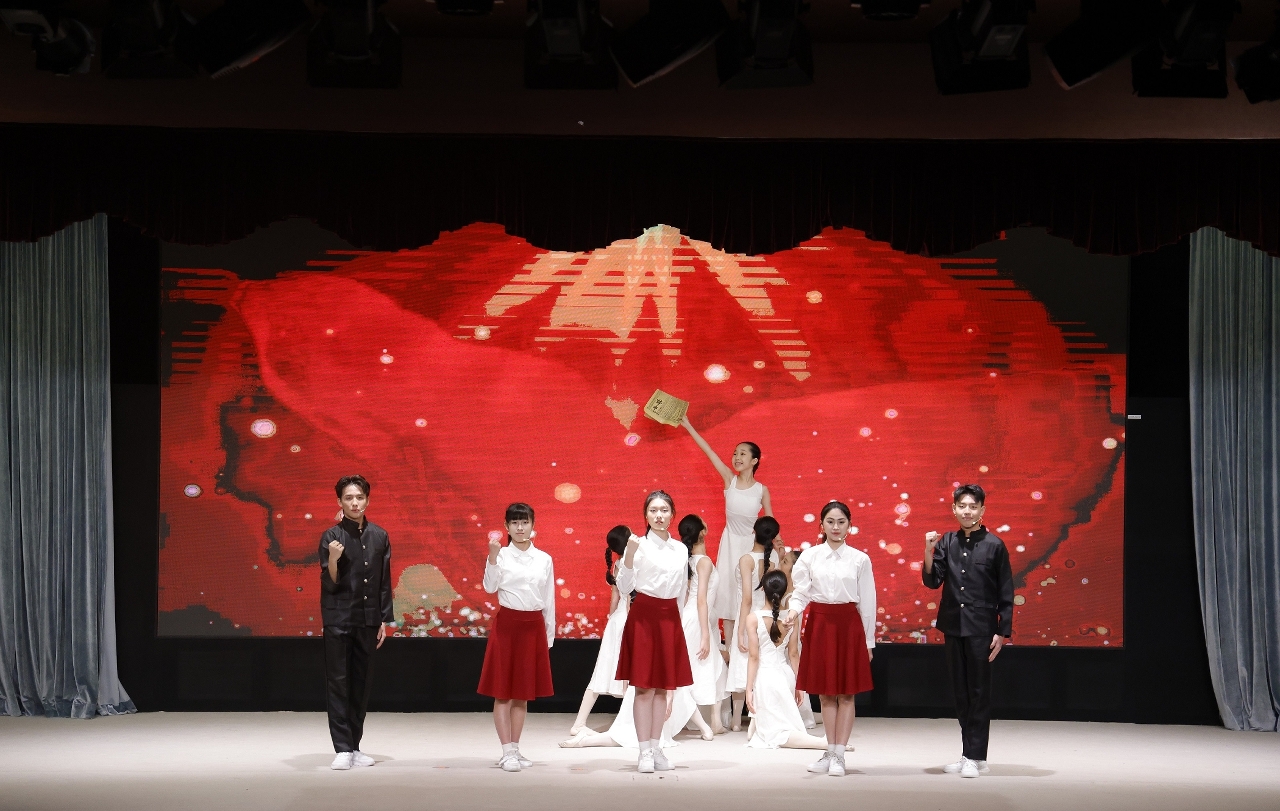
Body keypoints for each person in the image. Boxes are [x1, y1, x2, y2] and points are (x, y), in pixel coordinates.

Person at [922, 484, 1014, 779]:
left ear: (982, 510)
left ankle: (975, 756)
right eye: (962, 506)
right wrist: (928, 550)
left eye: (973, 506)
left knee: (978, 692)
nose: (967, 511)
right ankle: (970, 755)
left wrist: (1002, 631)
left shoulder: (995, 545)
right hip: (953, 625)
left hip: (982, 628)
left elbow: (1006, 590)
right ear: (954, 509)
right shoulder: (947, 542)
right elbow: (932, 581)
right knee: (961, 693)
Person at [784, 501, 876, 777]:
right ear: (821, 525)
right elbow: (801, 593)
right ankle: (829, 751)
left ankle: (839, 755)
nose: (836, 527)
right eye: (830, 522)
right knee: (825, 693)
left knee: (846, 694)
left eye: (841, 522)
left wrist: (868, 642)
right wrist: (792, 612)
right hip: (820, 624)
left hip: (848, 626)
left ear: (849, 525)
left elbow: (867, 603)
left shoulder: (860, 559)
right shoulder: (810, 557)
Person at [614, 490, 693, 773]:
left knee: (663, 688)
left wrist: (678, 623)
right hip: (644, 617)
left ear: (672, 514)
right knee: (644, 688)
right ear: (646, 515)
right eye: (653, 510)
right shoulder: (638, 546)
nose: (659, 515)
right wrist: (629, 555)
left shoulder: (681, 549)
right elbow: (624, 587)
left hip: (670, 618)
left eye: (664, 510)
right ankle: (644, 751)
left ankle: (657, 747)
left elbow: (681, 590)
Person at [679, 416, 772, 654]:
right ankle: (730, 652)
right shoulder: (729, 480)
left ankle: (748, 650)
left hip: (751, 548)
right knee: (728, 599)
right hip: (730, 544)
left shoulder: (762, 490)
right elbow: (708, 451)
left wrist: (776, 546)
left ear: (754, 460)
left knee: (749, 599)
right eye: (735, 453)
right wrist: (688, 425)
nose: (737, 457)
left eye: (743, 454)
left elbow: (770, 524)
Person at [318, 474, 392, 771]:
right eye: (348, 498)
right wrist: (333, 558)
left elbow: (383, 581)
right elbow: (330, 583)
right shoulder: (331, 537)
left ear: (367, 500)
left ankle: (355, 746)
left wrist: (383, 619)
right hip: (338, 618)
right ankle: (342, 748)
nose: (354, 503)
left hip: (368, 619)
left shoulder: (379, 536)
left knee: (361, 683)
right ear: (339, 501)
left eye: (359, 497)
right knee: (338, 683)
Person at [476, 502, 555, 772]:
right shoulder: (500, 555)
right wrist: (492, 557)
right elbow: (489, 587)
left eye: (525, 522)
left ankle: (516, 748)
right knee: (503, 693)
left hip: (533, 626)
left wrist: (548, 636)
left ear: (533, 525)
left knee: (522, 694)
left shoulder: (544, 559)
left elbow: (548, 599)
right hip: (508, 626)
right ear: (506, 526)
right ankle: (506, 751)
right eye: (514, 523)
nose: (520, 528)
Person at [745, 570, 828, 750]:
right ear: (784, 591)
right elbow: (794, 654)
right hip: (786, 675)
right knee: (758, 733)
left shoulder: (753, 618)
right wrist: (799, 684)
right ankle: (822, 741)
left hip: (766, 677)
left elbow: (753, 657)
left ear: (762, 589)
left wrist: (748, 689)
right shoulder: (792, 617)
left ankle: (822, 743)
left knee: (776, 733)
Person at [569, 526, 633, 734]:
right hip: (628, 621)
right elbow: (630, 600)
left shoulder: (616, 565)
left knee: (602, 672)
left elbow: (615, 598)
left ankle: (579, 723)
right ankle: (628, 724)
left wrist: (611, 620)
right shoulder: (632, 564)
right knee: (631, 674)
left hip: (616, 622)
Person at [726, 516, 779, 731]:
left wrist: (740, 631)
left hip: (748, 618)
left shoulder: (746, 559)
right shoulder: (773, 561)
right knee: (761, 665)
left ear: (753, 532)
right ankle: (759, 717)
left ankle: (737, 721)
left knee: (742, 665)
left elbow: (746, 599)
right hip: (766, 619)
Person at [678, 514, 728, 735]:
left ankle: (712, 721)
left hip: (694, 618)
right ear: (702, 532)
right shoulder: (703, 562)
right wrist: (706, 634)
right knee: (709, 666)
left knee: (707, 667)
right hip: (698, 620)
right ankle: (712, 722)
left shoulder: (689, 561)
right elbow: (700, 600)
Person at [559, 685, 701, 751]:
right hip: (649, 687)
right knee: (629, 735)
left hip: (644, 684)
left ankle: (586, 739)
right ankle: (586, 740)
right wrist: (669, 696)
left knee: (628, 733)